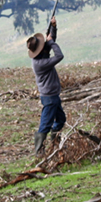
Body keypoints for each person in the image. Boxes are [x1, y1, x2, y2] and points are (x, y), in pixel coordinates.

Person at [27, 16, 66, 154]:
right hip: (49, 97)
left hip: (53, 95)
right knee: (45, 124)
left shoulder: (40, 57)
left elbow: (50, 42)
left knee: (61, 119)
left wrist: (53, 27)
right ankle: (39, 151)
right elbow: (59, 55)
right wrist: (51, 42)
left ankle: (55, 144)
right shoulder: (41, 64)